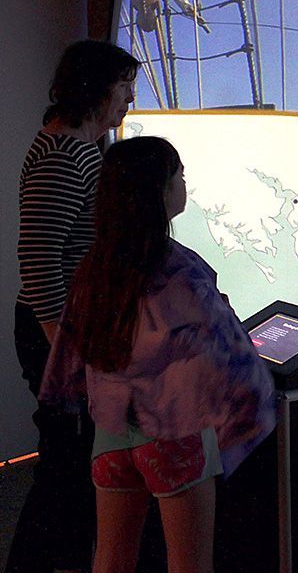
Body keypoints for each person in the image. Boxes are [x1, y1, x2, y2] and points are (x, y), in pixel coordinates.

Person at [41, 137, 276, 573]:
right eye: (179, 175)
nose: (184, 183)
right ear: (159, 192)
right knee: (188, 564)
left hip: (110, 436)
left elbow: (68, 360)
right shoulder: (180, 272)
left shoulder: (94, 267)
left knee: (110, 558)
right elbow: (234, 358)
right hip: (175, 437)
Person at [7, 40, 138, 573]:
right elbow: (39, 270)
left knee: (69, 469)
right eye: (125, 85)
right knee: (64, 471)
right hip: (55, 332)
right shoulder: (67, 154)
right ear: (96, 88)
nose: (130, 97)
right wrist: (70, 356)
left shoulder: (76, 147)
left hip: (63, 329)